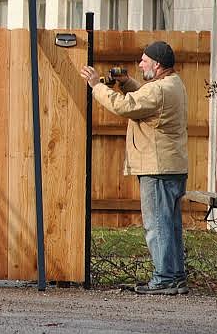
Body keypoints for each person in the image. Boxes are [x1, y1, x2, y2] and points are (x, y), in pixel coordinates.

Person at [79, 40, 189, 295]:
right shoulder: (173, 84)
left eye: (144, 60)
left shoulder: (159, 91)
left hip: (157, 167)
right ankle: (175, 277)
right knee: (170, 225)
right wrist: (127, 83)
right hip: (171, 166)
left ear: (157, 64)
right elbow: (145, 99)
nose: (140, 64)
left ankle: (164, 279)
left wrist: (96, 86)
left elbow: (125, 106)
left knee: (157, 225)